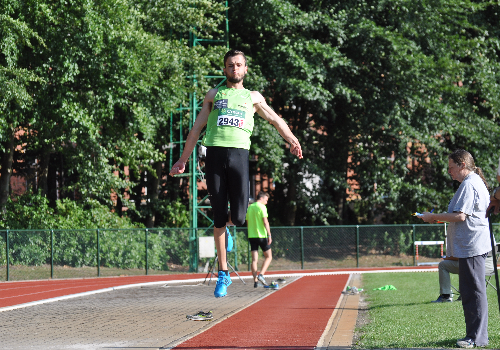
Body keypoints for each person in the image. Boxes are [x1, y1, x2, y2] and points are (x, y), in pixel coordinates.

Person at [169, 49, 303, 298]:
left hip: (240, 156)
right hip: (215, 156)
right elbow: (197, 129)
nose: (234, 69)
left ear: (245, 69)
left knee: (239, 217)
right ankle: (223, 274)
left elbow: (275, 119)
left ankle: (228, 229)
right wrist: (183, 159)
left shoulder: (253, 97)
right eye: (230, 65)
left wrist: (292, 139)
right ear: (224, 69)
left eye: (239, 65)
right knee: (218, 216)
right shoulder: (213, 95)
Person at [419, 149, 491, 348]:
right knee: (470, 292)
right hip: (470, 247)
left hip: (472, 246)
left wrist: (433, 216)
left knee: (474, 293)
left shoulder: (470, 184)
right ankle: (474, 336)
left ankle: (476, 338)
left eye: (451, 167)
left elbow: (460, 216)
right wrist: (437, 218)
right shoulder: (471, 183)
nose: (449, 171)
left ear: (462, 165)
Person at [246, 191, 273, 288]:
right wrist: (269, 235)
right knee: (269, 257)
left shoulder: (250, 208)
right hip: (261, 236)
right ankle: (261, 275)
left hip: (251, 236)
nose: (266, 202)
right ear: (261, 198)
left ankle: (255, 280)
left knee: (254, 260)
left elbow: (248, 222)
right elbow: (266, 222)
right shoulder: (262, 207)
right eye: (266, 200)